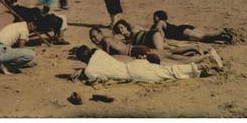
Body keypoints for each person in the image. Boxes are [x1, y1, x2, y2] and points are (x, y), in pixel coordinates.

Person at [74, 45, 223, 84]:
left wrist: (84, 74)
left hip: (133, 74)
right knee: (168, 69)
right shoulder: (99, 53)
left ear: (82, 60)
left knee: (168, 73)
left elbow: (101, 79)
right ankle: (205, 62)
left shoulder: (90, 70)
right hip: (134, 64)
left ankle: (204, 65)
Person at [90, 27, 216, 64]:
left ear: (100, 33)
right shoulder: (108, 39)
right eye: (92, 38)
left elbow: (107, 56)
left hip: (136, 52)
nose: (94, 39)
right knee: (169, 53)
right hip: (137, 49)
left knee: (170, 58)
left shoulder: (105, 41)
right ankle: (193, 48)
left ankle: (201, 58)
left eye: (95, 36)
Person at [4, 0, 68, 44]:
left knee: (60, 17)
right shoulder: (20, 8)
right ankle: (59, 38)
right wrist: (37, 10)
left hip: (33, 23)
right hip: (38, 25)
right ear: (16, 1)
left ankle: (58, 37)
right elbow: (33, 15)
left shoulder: (16, 9)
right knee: (62, 18)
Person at [151, 11, 233, 44]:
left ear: (159, 17)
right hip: (181, 32)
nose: (153, 18)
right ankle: (222, 37)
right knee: (203, 39)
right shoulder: (157, 24)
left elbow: (159, 31)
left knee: (202, 36)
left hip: (180, 32)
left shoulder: (160, 22)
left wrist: (162, 40)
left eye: (155, 16)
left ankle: (221, 32)